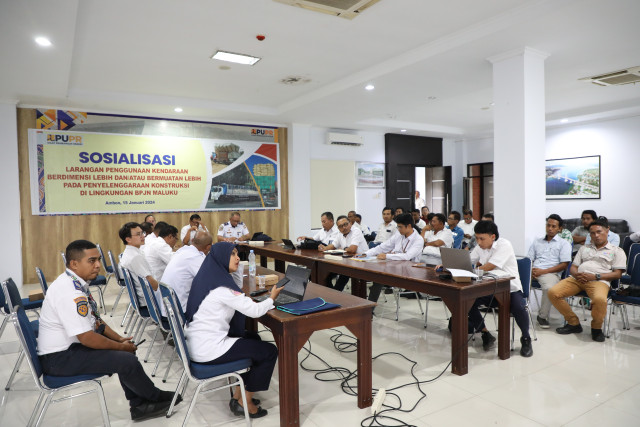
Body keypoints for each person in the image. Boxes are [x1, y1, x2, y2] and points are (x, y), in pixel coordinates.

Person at [37, 240, 179, 421]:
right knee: (126, 360)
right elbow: (88, 338)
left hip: (66, 351)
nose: (98, 265)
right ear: (74, 263)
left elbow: (96, 322)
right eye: (91, 261)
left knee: (124, 353)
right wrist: (121, 348)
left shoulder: (73, 282)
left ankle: (140, 404)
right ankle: (152, 398)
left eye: (98, 260)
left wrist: (119, 340)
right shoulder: (70, 292)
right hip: (59, 359)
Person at [185, 243, 282, 419]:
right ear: (221, 257)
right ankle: (244, 402)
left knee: (253, 337)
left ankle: (239, 395)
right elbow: (255, 311)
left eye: (238, 254)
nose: (238, 258)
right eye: (233, 254)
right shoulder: (222, 288)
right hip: (209, 349)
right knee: (269, 352)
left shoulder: (208, 277)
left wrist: (236, 271)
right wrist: (271, 298)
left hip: (197, 343)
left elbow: (237, 289)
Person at [549, 217, 626, 342]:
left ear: (607, 231)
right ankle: (573, 323)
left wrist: (596, 276)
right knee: (553, 293)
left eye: (599, 232)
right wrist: (577, 274)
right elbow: (573, 267)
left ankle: (596, 329)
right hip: (577, 279)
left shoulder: (617, 251)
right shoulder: (584, 248)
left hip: (599, 281)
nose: (596, 235)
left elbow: (617, 274)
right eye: (592, 233)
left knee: (600, 300)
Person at [467, 220, 533, 357]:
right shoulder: (480, 247)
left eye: (481, 238)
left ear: (493, 237)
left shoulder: (504, 244)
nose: (478, 242)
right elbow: (468, 260)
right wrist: (449, 266)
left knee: (519, 308)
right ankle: (485, 333)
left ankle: (526, 338)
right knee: (467, 301)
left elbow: (490, 266)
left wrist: (472, 271)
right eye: (477, 238)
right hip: (489, 289)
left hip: (511, 289)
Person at [363, 213, 424, 303]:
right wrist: (366, 253)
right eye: (397, 227)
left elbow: (407, 256)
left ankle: (368, 309)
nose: (398, 229)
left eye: (400, 227)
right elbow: (383, 247)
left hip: (410, 270)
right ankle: (365, 306)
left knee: (379, 277)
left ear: (409, 226)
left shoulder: (418, 239)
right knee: (374, 274)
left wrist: (387, 256)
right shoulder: (398, 235)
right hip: (394, 266)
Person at [527, 214, 572, 329]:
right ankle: (515, 310)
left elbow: (564, 265)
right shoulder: (537, 241)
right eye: (548, 225)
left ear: (559, 229)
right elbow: (529, 259)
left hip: (550, 273)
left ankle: (542, 316)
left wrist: (543, 271)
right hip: (534, 270)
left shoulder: (564, 244)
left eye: (553, 226)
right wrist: (530, 270)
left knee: (548, 288)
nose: (550, 228)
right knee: (512, 280)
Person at [161, 231, 213, 314]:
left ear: (192, 240)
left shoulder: (183, 250)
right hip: (178, 314)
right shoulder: (195, 257)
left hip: (167, 307)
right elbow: (210, 282)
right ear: (209, 247)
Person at [319, 215, 368, 291]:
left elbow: (352, 250)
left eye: (345, 224)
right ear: (338, 228)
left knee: (344, 273)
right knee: (325, 276)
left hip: (363, 261)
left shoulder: (356, 231)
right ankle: (333, 295)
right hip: (348, 261)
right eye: (341, 226)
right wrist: (324, 248)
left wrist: (344, 248)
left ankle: (335, 295)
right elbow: (333, 245)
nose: (344, 227)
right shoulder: (339, 233)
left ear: (350, 223)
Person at [119, 222, 158, 307]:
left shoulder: (131, 252)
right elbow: (151, 283)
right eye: (138, 234)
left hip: (143, 296)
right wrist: (162, 289)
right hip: (149, 300)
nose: (143, 236)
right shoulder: (135, 257)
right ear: (128, 239)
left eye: (142, 233)